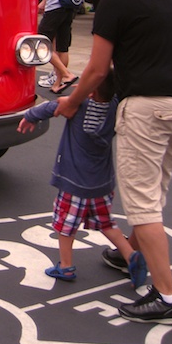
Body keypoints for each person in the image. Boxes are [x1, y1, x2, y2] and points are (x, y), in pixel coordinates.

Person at [56, 0, 172, 325]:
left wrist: (70, 102)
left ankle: (167, 296)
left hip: (147, 107)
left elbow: (98, 69)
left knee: (141, 203)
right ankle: (126, 254)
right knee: (155, 189)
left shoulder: (115, 2)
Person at [19, 70, 145, 286]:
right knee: (106, 223)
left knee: (65, 225)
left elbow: (52, 106)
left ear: (90, 91)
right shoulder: (114, 107)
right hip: (101, 182)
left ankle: (66, 266)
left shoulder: (78, 107)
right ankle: (130, 254)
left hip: (74, 181)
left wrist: (30, 117)